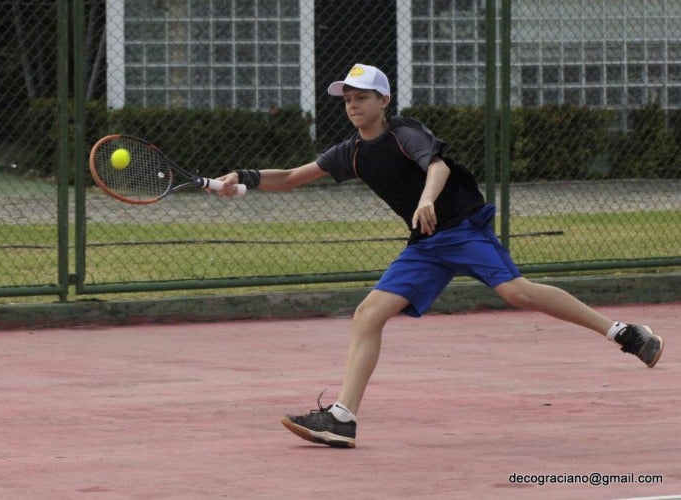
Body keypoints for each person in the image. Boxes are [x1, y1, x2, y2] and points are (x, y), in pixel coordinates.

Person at [215, 63, 664, 449]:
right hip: (425, 245)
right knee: (368, 314)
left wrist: (427, 199)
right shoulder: (350, 153)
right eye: (347, 98)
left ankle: (625, 333)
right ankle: (342, 417)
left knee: (517, 293)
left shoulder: (403, 132)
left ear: (383, 99)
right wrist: (244, 177)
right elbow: (293, 177)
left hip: (460, 227)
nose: (352, 105)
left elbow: (438, 165)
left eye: (362, 97)